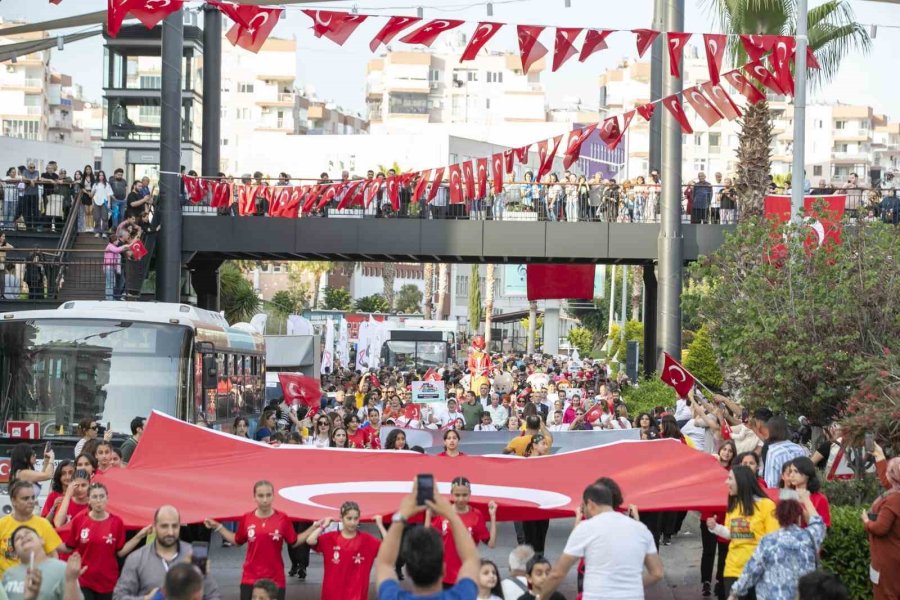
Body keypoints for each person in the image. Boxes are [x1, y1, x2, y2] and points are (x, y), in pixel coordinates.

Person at [542, 481, 663, 599]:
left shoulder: (585, 528)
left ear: (590, 504)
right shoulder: (641, 529)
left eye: (583, 506)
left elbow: (558, 573)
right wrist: (631, 586)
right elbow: (657, 573)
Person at [374, 478, 480, 599]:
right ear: (443, 569)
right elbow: (471, 559)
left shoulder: (392, 596)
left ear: (407, 572)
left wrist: (402, 513)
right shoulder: (462, 596)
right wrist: (451, 514)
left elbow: (384, 564)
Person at [203, 481, 302, 600]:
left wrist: (315, 527)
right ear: (254, 497)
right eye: (260, 496)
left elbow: (294, 541)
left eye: (268, 495)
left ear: (273, 496)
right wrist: (218, 527)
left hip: (275, 579)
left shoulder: (283, 518)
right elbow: (237, 541)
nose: (265, 500)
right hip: (250, 578)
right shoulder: (247, 518)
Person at [725, 489, 826, 600]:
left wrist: (735, 593)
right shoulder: (809, 537)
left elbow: (751, 571)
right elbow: (818, 523)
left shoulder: (769, 541)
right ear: (799, 516)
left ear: (777, 516)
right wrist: (806, 500)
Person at [59, 483, 150, 600]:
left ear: (107, 499)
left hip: (108, 582)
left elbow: (120, 552)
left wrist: (140, 535)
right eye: (94, 497)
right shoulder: (80, 520)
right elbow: (69, 547)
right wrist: (48, 543)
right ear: (89, 500)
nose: (98, 500)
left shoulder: (116, 522)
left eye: (102, 496)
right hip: (84, 580)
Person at [113, 505, 220, 600]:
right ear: (154, 526)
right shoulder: (137, 558)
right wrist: (146, 599)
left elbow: (212, 595)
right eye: (164, 526)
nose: (170, 532)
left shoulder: (195, 555)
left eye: (174, 526)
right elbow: (118, 597)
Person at [710, 466, 778, 598]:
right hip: (733, 571)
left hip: (759, 572)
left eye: (730, 479)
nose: (726, 482)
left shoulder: (766, 505)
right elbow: (731, 534)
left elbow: (773, 540)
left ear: (741, 481)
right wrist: (715, 527)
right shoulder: (733, 506)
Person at [426, 477, 497, 586]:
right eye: (457, 495)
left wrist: (493, 516)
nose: (461, 499)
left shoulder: (476, 515)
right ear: (451, 494)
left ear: (470, 494)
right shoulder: (443, 513)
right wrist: (428, 513)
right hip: (444, 575)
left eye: (464, 495)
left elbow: (491, 543)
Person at [304, 501, 382, 600]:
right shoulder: (330, 538)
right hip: (332, 595)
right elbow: (310, 540)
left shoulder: (368, 541)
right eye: (349, 518)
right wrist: (323, 526)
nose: (353, 522)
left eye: (356, 518)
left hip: (357, 596)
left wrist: (380, 525)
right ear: (341, 518)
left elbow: (390, 548)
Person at [0, 481, 62, 576]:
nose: (31, 501)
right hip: (5, 585)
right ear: (13, 500)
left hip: (34, 583)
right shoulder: (2, 524)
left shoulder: (43, 524)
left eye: (33, 497)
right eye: (25, 498)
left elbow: (53, 555)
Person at [1, 527, 82, 600]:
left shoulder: (63, 568)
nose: (23, 537)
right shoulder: (8, 574)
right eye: (17, 538)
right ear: (15, 552)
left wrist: (71, 581)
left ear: (41, 540)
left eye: (27, 533)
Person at [699, 440, 736, 597]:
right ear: (719, 450)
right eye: (724, 449)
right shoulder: (710, 467)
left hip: (726, 517)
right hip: (708, 516)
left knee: (724, 552)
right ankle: (706, 582)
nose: (726, 452)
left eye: (730, 451)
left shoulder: (734, 472)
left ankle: (720, 582)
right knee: (708, 551)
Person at [862, 457, 900, 600]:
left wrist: (866, 521)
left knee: (886, 593)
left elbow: (880, 528)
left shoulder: (894, 499)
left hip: (888, 558)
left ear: (892, 475)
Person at [762, 416, 808, 488]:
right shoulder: (799, 448)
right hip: (801, 492)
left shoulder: (773, 452)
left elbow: (771, 484)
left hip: (782, 495)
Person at [91, 171, 113, 237]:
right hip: (96, 201)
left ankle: (105, 232)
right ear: (98, 176)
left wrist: (109, 203)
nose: (101, 176)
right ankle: (97, 231)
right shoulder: (95, 184)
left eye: (102, 175)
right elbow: (92, 194)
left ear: (104, 176)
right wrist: (92, 202)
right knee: (96, 217)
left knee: (105, 217)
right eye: (100, 175)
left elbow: (109, 194)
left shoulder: (107, 184)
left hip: (104, 202)